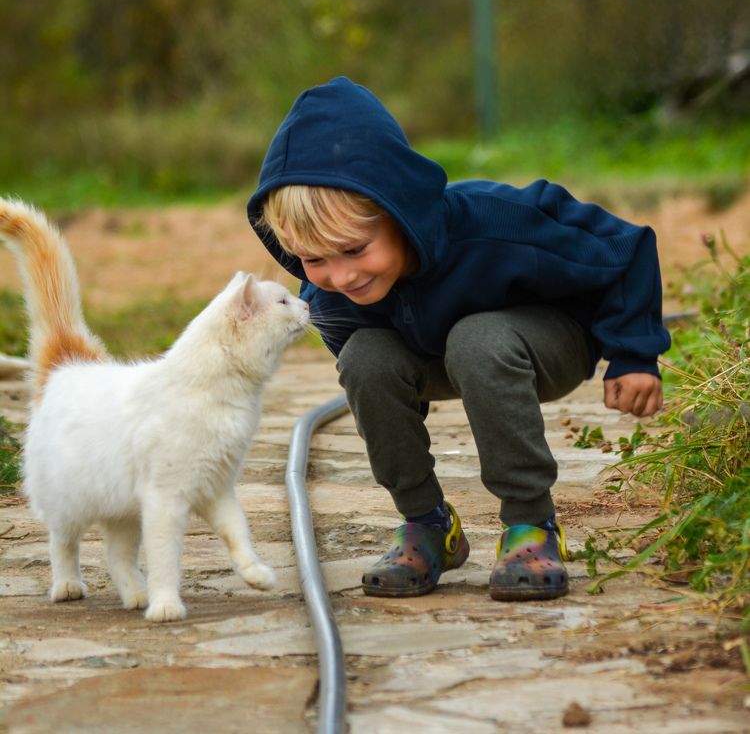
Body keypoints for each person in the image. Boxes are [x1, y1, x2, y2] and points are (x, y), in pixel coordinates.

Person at [247, 77, 670, 601]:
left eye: (355, 250)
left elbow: (624, 248)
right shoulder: (331, 297)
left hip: (545, 344)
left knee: (478, 339)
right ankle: (428, 527)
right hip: (440, 357)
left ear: (398, 211)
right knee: (365, 356)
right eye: (314, 259)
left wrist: (634, 354)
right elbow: (381, 389)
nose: (341, 276)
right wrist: (395, 410)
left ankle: (530, 526)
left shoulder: (496, 221)